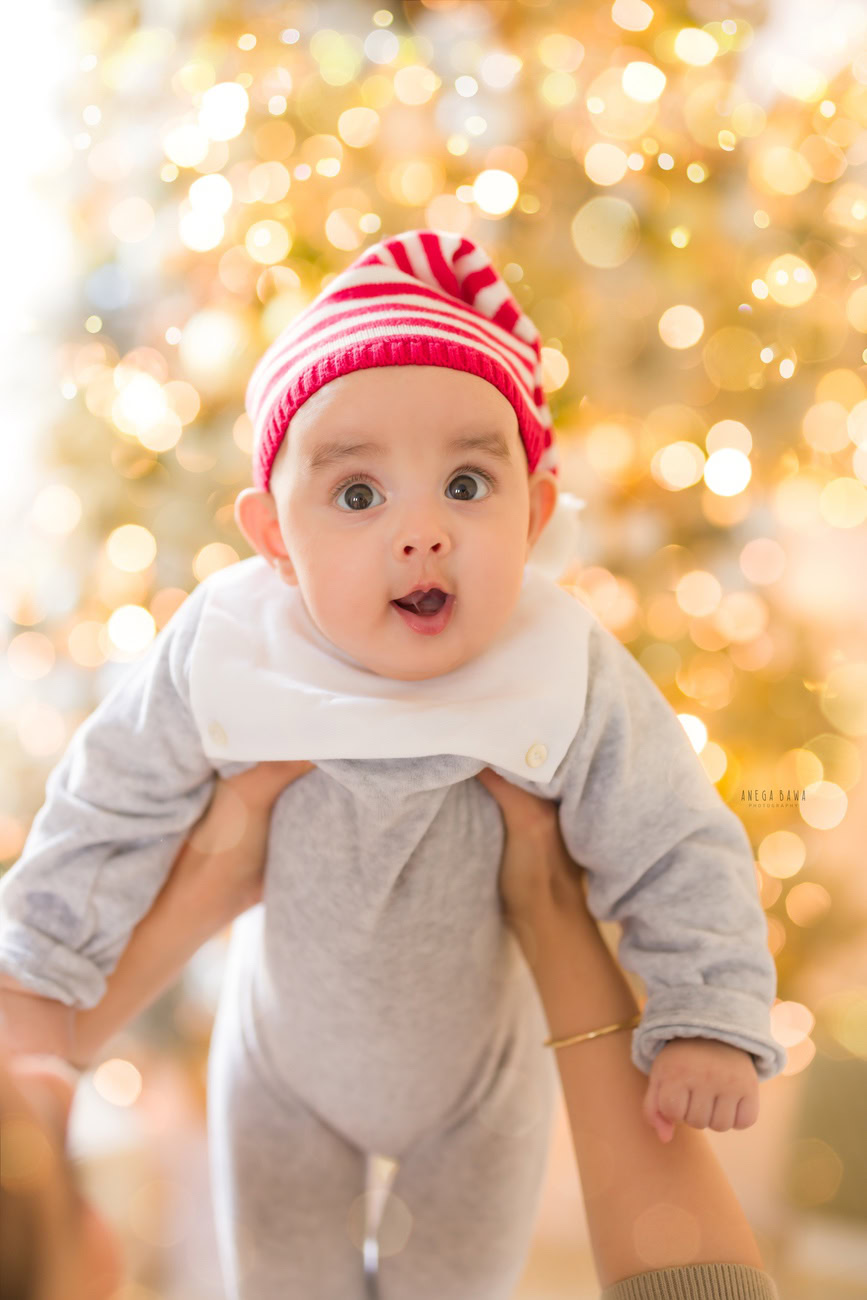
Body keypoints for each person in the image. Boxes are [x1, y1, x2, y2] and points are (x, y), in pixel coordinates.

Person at [0, 229, 785, 1300]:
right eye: (358, 495)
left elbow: (676, 834)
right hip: (282, 1071)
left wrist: (707, 1013)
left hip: (480, 1090)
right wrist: (33, 972)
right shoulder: (231, 647)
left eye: (469, 482)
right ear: (274, 535)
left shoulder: (562, 665)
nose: (423, 531)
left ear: (538, 511)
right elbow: (105, 807)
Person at [0, 761, 780, 1299]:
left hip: (448, 1081)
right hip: (315, 1081)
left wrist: (208, 885)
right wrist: (558, 912)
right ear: (92, 1271)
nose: (44, 1076)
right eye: (56, 1159)